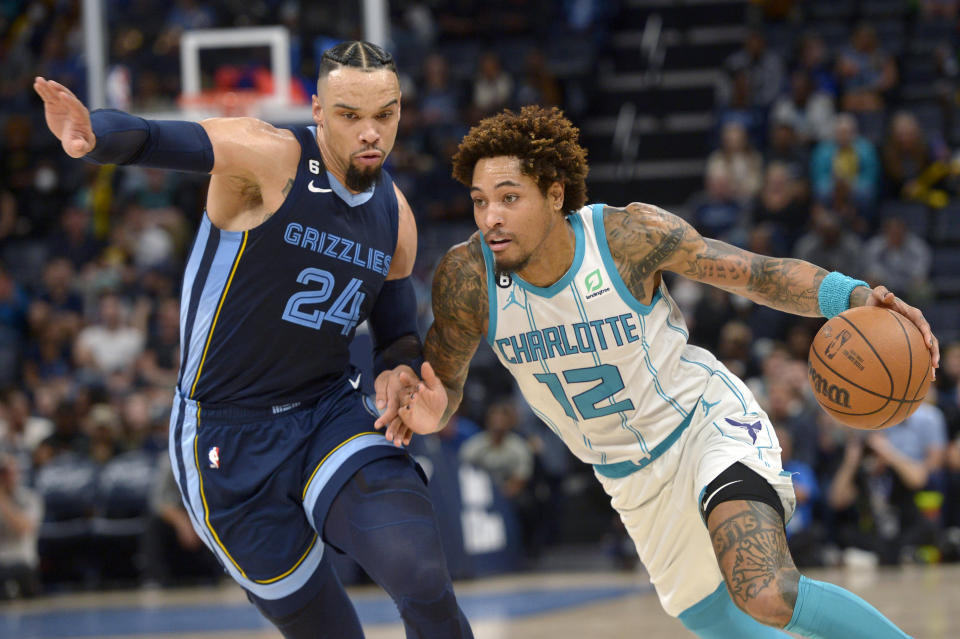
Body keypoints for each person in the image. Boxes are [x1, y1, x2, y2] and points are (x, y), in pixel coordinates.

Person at [379, 106, 940, 638]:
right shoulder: (466, 278)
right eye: (479, 201)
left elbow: (756, 274)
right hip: (627, 477)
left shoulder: (625, 238)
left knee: (764, 590)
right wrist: (435, 410)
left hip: (704, 423)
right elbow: (445, 385)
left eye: (508, 197)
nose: (490, 217)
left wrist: (856, 295)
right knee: (712, 618)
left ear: (554, 194)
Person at [35, 40, 473, 639]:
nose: (370, 132)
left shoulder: (395, 214)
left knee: (421, 575)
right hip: (223, 433)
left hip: (328, 410)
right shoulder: (267, 158)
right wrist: (93, 133)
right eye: (350, 115)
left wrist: (400, 368)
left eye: (385, 114)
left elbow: (397, 332)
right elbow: (158, 138)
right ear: (317, 110)